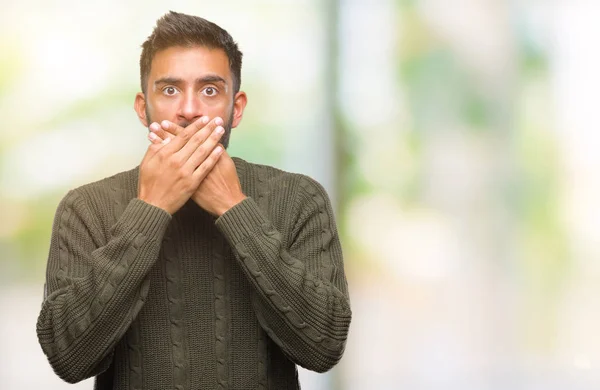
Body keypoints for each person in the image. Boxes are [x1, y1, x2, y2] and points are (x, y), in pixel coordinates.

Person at [36, 11, 351, 389]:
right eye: (169, 90)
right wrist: (149, 210)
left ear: (235, 108)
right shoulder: (85, 208)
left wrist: (235, 208)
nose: (189, 109)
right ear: (143, 108)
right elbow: (68, 359)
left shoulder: (299, 198)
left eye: (209, 90)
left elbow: (324, 346)